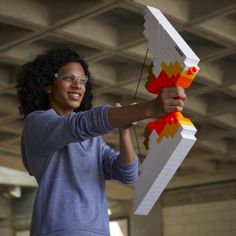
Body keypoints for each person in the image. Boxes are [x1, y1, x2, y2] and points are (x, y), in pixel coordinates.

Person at [16, 48, 186, 236]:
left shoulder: (92, 138)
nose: (77, 85)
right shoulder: (38, 123)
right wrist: (149, 108)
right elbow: (80, 125)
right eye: (69, 78)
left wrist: (124, 131)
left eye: (82, 80)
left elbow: (127, 173)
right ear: (48, 85)